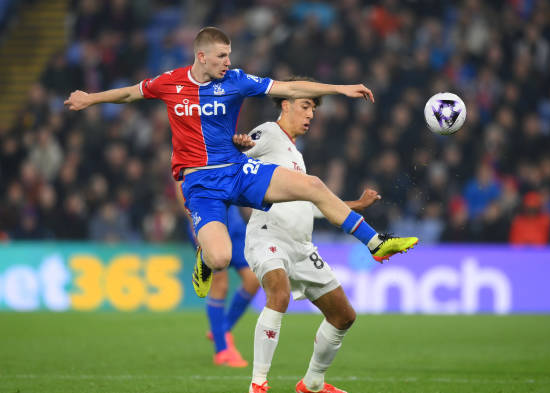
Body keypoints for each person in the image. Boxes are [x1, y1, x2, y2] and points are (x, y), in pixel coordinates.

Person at [64, 26, 418, 301]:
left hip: (236, 171)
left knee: (312, 185)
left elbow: (288, 89)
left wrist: (340, 89)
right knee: (221, 259)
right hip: (199, 184)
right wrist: (90, 98)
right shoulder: (170, 83)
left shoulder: (236, 82)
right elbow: (129, 93)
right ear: (201, 56)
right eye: (221, 56)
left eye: (229, 55)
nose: (227, 62)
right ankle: (204, 258)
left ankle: (376, 243)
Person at [232, 81, 379, 393]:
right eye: (305, 106)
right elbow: (236, 156)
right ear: (285, 105)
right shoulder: (269, 133)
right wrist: (241, 145)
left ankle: (313, 381)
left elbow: (312, 204)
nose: (310, 114)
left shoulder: (295, 154)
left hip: (301, 246)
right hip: (267, 235)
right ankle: (258, 384)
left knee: (344, 316)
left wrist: (352, 205)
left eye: (313, 108)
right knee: (279, 294)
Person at [175, 181, 260, 367]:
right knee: (220, 283)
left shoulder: (231, 152)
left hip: (234, 223)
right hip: (208, 221)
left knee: (253, 280)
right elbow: (180, 186)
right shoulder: (191, 154)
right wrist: (194, 223)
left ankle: (221, 329)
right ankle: (222, 350)